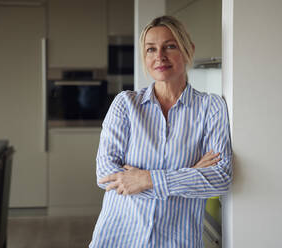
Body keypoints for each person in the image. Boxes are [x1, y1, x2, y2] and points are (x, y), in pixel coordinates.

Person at [89, 15, 232, 248]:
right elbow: (106, 175)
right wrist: (190, 173)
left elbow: (220, 178)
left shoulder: (210, 107)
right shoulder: (125, 104)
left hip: (177, 240)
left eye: (170, 46)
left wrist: (146, 179)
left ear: (188, 50)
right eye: (151, 49)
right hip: (118, 237)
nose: (159, 57)